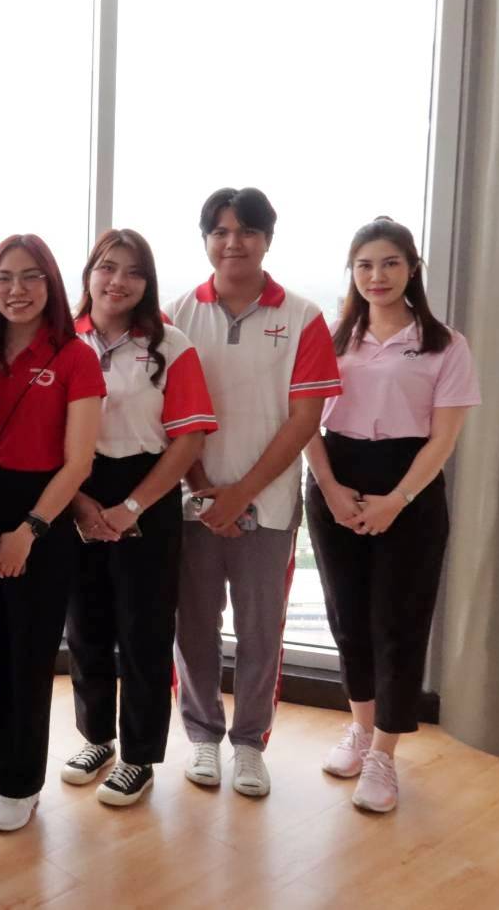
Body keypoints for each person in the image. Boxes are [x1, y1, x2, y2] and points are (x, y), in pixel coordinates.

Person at [165, 187, 341, 798]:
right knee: (193, 627)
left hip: (268, 507)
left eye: (246, 231)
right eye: (220, 231)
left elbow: (304, 419)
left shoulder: (303, 317)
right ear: (205, 240)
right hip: (192, 503)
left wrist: (241, 493)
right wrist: (203, 490)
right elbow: (169, 413)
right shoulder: (177, 313)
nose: (232, 242)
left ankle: (248, 744)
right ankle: (203, 736)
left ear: (268, 239)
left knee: (261, 630)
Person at [304, 217, 478, 813]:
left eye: (389, 263)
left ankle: (384, 753)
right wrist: (329, 487)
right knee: (347, 616)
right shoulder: (333, 339)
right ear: (352, 273)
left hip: (410, 484)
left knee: (398, 622)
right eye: (364, 265)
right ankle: (359, 729)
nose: (376, 276)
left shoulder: (444, 343)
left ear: (412, 269)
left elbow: (442, 440)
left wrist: (396, 501)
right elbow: (306, 422)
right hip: (336, 474)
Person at [0, 234, 103, 832]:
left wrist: (30, 530)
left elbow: (78, 462)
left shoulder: (74, 356)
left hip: (42, 510)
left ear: (52, 284)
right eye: (4, 278)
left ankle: (21, 780)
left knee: (28, 653)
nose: (17, 290)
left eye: (31, 276)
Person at [60, 229, 216, 806]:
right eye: (107, 267)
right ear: (89, 274)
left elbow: (189, 439)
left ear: (147, 283)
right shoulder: (62, 340)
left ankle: (139, 755)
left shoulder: (171, 345)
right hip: (74, 486)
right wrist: (80, 503)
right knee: (85, 624)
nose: (117, 281)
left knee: (144, 629)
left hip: (147, 488)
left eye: (132, 271)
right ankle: (96, 738)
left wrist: (130, 508)